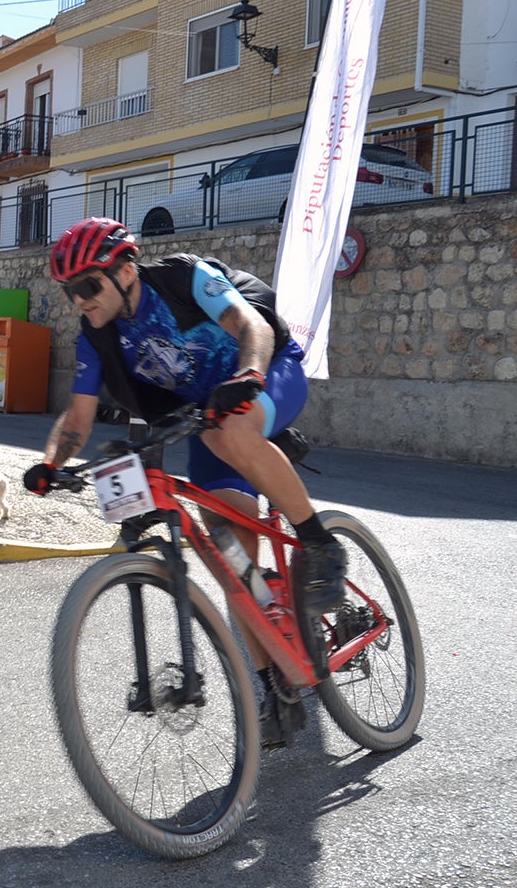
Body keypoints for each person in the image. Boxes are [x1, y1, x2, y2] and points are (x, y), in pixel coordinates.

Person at [21, 217, 348, 749]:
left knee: (228, 433)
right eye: (69, 291)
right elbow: (76, 421)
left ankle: (320, 542)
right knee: (231, 558)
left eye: (87, 286)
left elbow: (253, 328)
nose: (79, 300)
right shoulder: (96, 338)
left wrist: (248, 375)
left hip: (267, 373)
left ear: (126, 271)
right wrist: (50, 464)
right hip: (207, 416)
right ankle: (275, 686)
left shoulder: (182, 279)